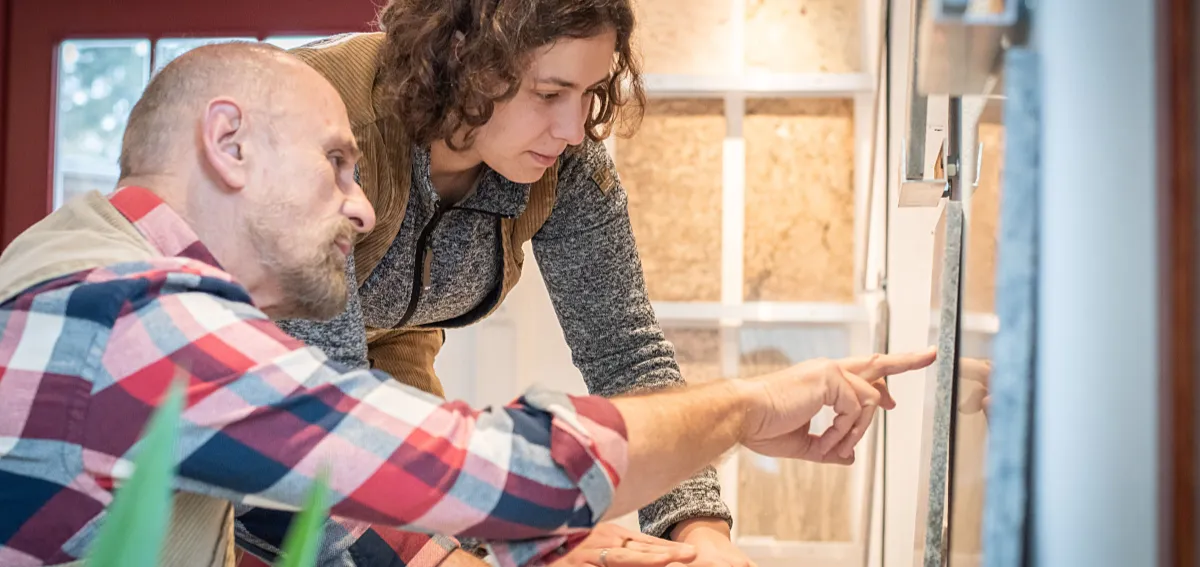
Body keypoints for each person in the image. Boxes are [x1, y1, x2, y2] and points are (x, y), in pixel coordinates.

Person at [0, 42, 935, 567]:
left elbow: (306, 503)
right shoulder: (142, 324)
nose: (364, 208)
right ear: (229, 143)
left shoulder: (81, 273)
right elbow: (482, 471)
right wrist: (748, 404)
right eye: (336, 164)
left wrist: (554, 545)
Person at [267, 1, 860, 564]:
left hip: (389, 381)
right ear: (463, 57)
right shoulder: (326, 130)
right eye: (549, 94)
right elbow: (322, 424)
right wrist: (498, 543)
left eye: (590, 92)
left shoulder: (566, 165)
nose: (575, 129)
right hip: (264, 387)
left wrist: (697, 533)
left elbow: (626, 354)